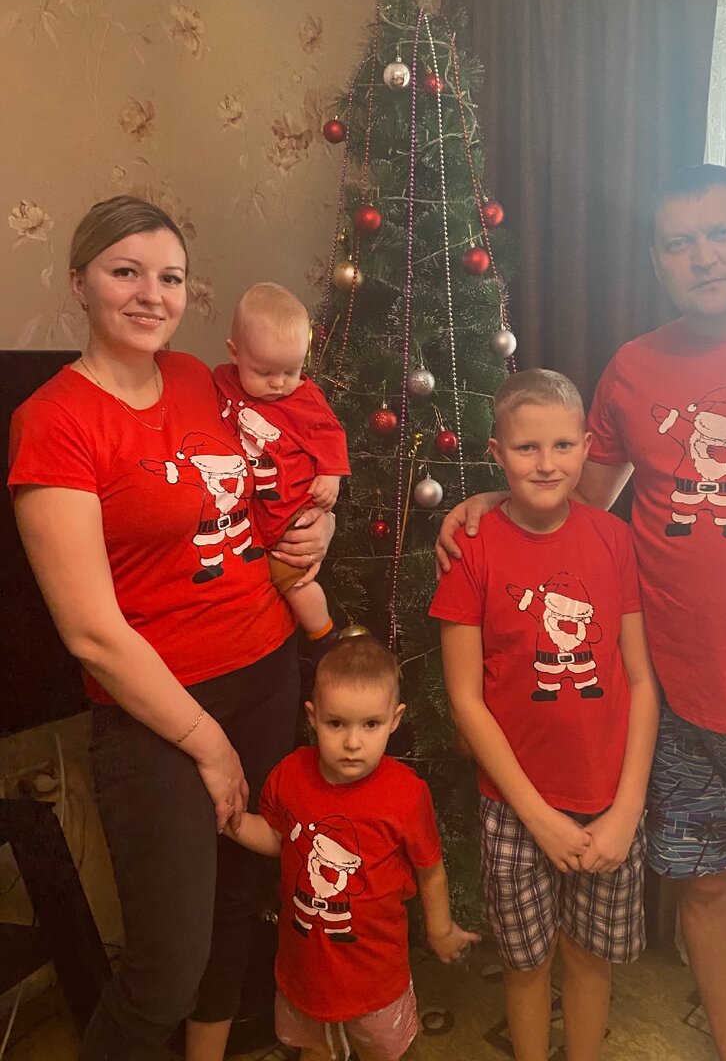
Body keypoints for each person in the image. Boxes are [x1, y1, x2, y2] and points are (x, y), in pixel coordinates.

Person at [436, 165, 726, 1061]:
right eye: (679, 243)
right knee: (706, 893)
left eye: (720, 234)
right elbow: (575, 503)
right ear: (656, 260)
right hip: (679, 711)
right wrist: (492, 502)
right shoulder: (634, 370)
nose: (702, 256)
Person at [8, 195, 335, 1061]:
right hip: (158, 710)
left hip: (266, 670)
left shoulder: (201, 380)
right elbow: (90, 632)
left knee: (237, 910)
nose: (151, 295)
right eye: (126, 272)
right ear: (79, 281)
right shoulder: (54, 422)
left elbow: (286, 474)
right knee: (164, 967)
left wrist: (322, 524)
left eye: (171, 277)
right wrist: (207, 745)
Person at [430, 369, 660, 1061]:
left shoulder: (613, 539)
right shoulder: (471, 548)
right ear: (497, 453)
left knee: (590, 959)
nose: (547, 463)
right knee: (526, 966)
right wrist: (537, 816)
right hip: (514, 809)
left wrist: (626, 810)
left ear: (588, 446)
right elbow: (466, 700)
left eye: (562, 445)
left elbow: (642, 681)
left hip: (607, 801)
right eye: (527, 448)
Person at [223, 636, 480, 1061]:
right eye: (336, 724)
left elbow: (430, 869)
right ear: (313, 717)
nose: (353, 742)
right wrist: (231, 822)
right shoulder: (290, 775)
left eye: (370, 724)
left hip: (377, 976)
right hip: (305, 972)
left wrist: (440, 930)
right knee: (314, 1049)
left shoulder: (406, 794)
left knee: (385, 1052)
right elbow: (277, 839)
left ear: (395, 720)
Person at [215, 282, 350, 654]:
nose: (278, 384)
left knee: (293, 581)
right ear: (234, 353)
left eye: (291, 370)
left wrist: (331, 475)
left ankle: (324, 635)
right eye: (264, 372)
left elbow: (330, 433)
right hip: (254, 513)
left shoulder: (304, 398)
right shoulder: (221, 382)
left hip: (291, 510)